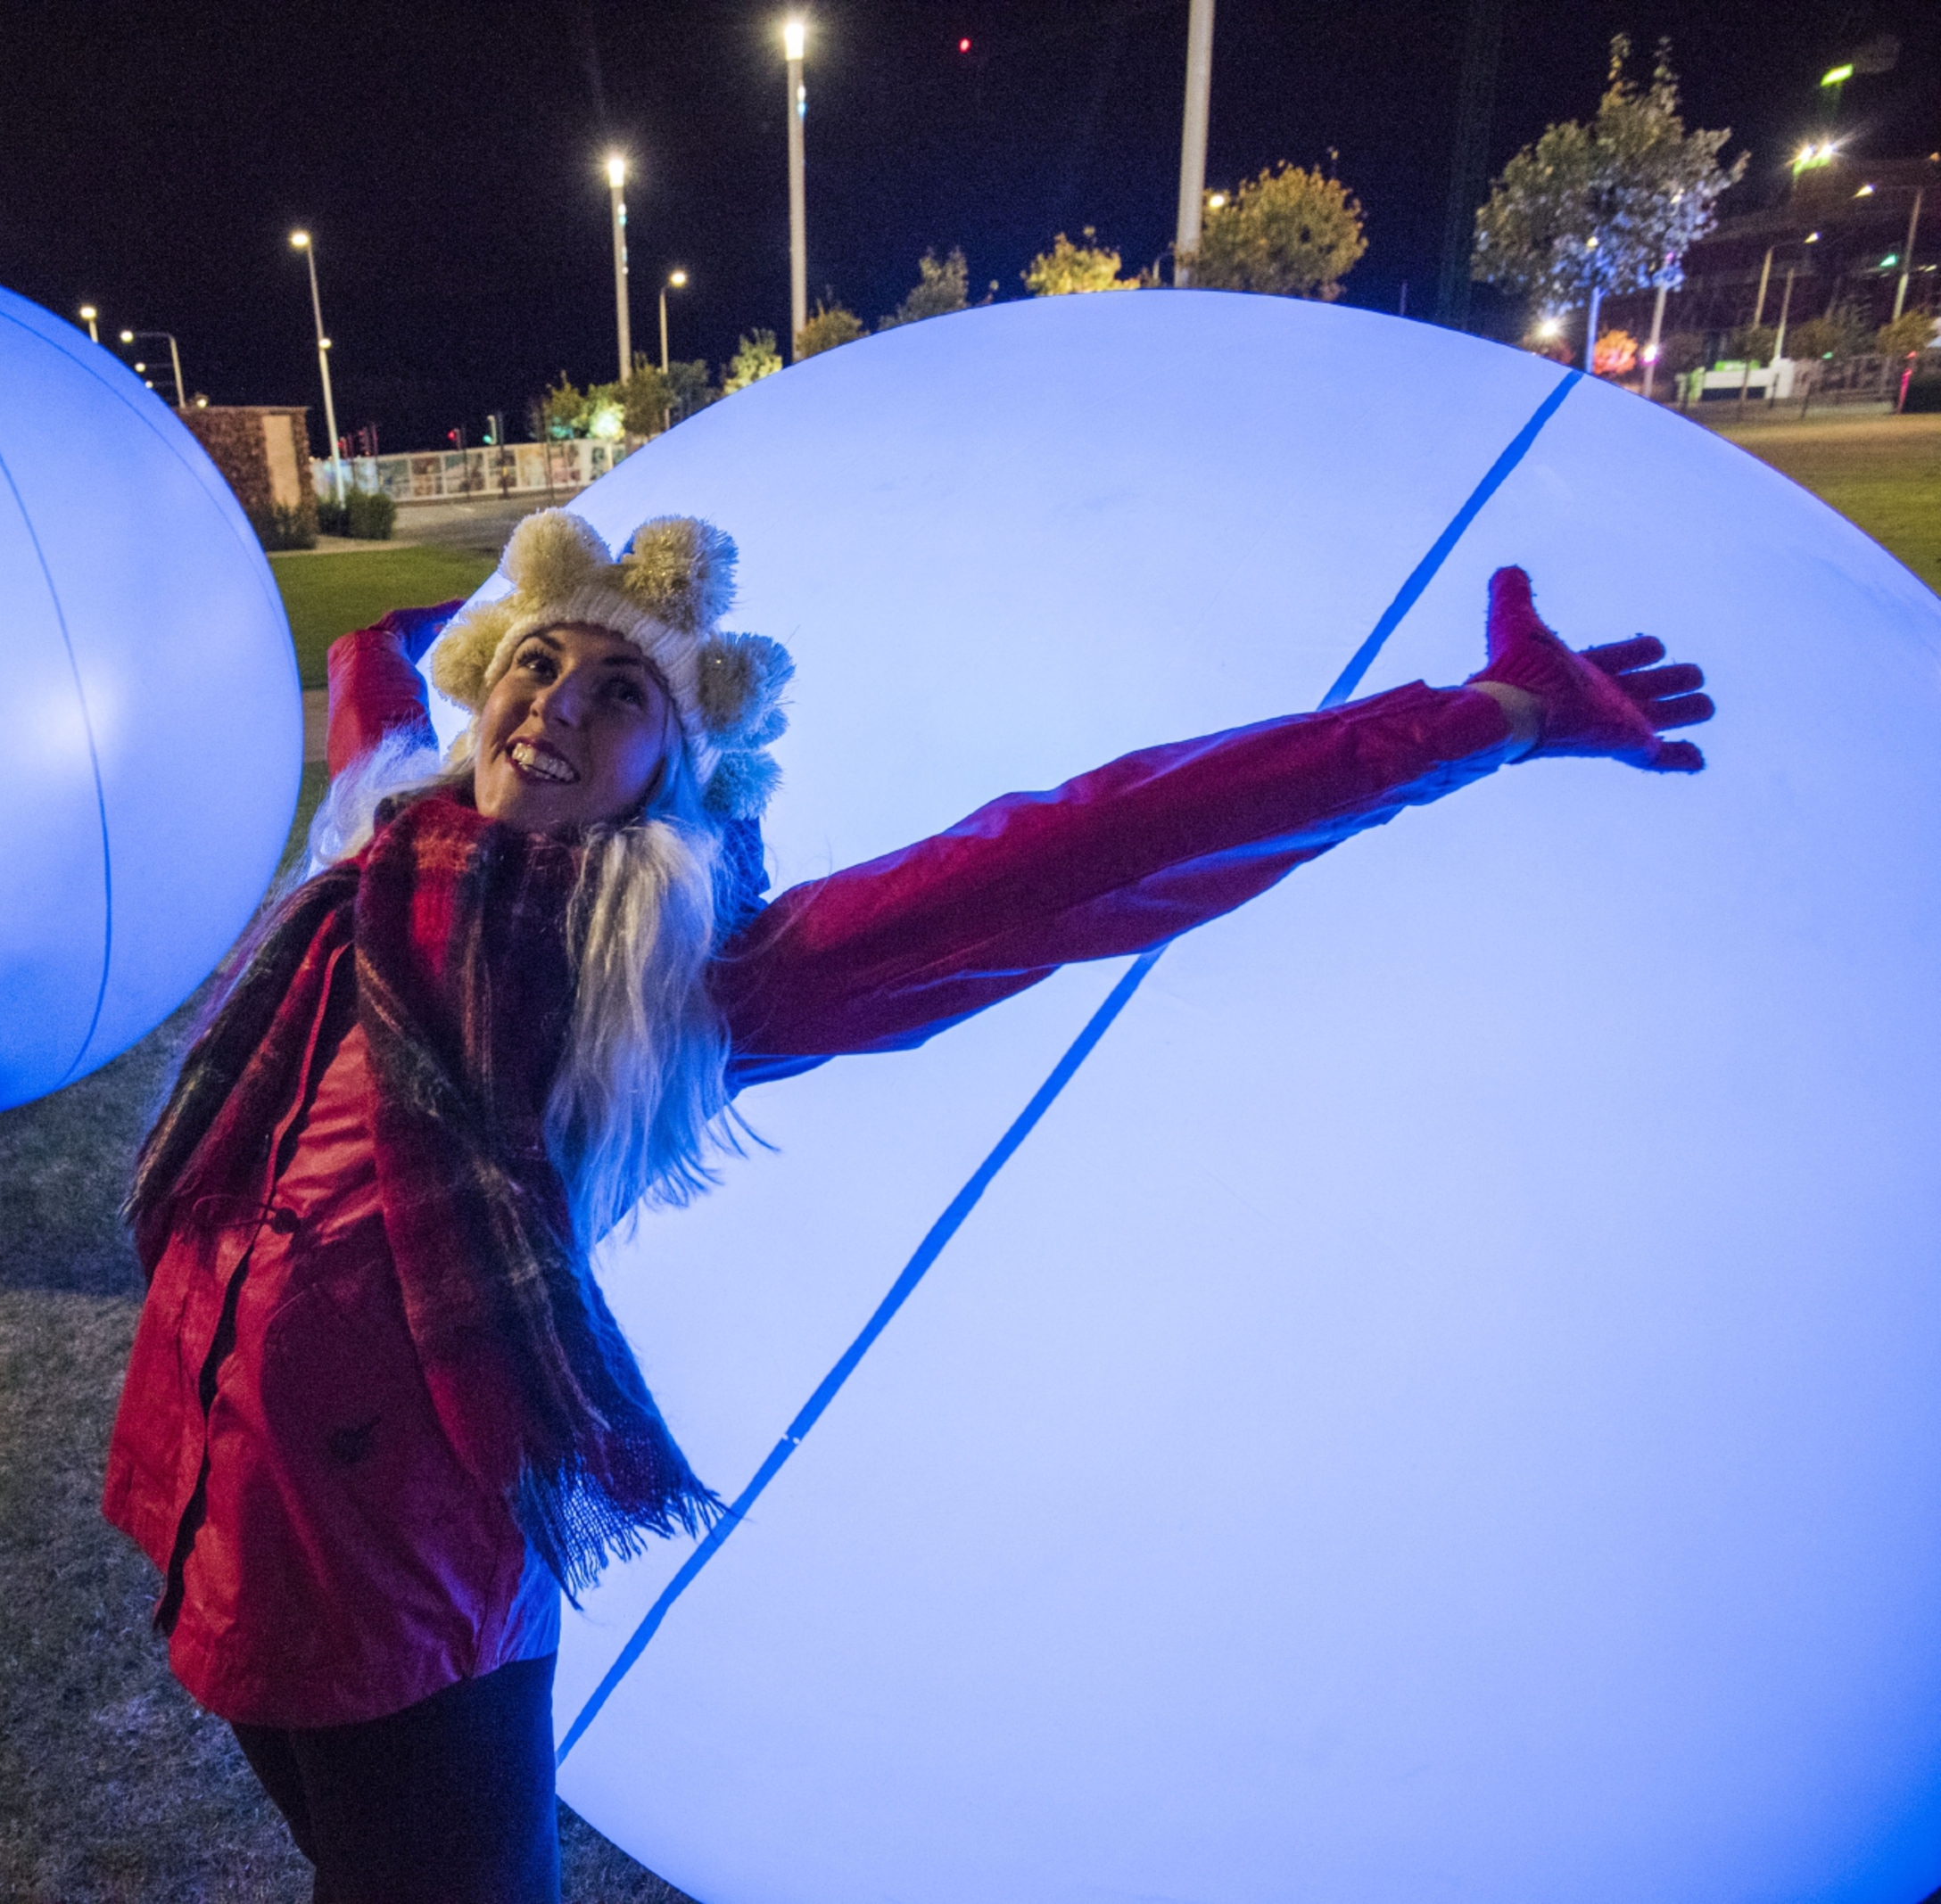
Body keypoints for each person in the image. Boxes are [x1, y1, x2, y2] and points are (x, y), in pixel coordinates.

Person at [103, 509, 1712, 1902]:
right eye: (537, 665)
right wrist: (390, 635)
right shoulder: (383, 846)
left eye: (621, 697)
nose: (556, 709)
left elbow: (1066, 860)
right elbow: (376, 709)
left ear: (675, 766)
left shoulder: (667, 984)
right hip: (208, 1492)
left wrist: (1468, 722)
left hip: (405, 1578)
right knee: (337, 1856)